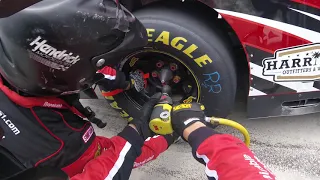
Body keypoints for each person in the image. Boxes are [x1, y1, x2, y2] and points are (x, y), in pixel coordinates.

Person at [0, 1, 276, 180]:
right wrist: (144, 133)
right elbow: (108, 166)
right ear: (58, 70)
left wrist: (105, 76)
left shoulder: (23, 60)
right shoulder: (60, 147)